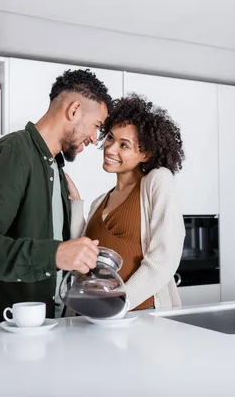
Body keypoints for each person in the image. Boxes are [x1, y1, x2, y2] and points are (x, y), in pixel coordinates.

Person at [0, 69, 112, 327]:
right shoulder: (14, 153)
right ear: (73, 110)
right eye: (96, 126)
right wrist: (55, 254)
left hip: (40, 328)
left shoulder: (55, 170)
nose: (95, 138)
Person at [65, 93, 186, 313]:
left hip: (143, 317)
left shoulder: (157, 181)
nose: (110, 149)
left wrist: (119, 305)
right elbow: (81, 255)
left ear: (145, 154)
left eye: (124, 145)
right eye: (110, 138)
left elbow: (164, 259)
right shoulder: (99, 202)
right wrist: (75, 203)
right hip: (97, 315)